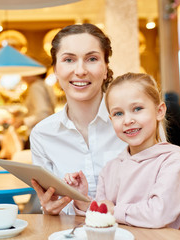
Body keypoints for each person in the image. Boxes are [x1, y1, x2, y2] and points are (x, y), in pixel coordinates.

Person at [64, 72, 180, 229]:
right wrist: (81, 199)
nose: (127, 120)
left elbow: (158, 214)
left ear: (159, 111)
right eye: (118, 113)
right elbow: (102, 216)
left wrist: (113, 210)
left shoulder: (172, 160)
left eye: (137, 109)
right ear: (111, 120)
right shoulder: (110, 168)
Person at [29, 23, 127, 215]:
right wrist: (49, 209)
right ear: (56, 70)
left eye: (91, 59)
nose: (80, 70)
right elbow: (50, 207)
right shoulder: (42, 135)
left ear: (106, 68)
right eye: (69, 60)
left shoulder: (133, 124)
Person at [12, 74, 56, 149]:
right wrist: (21, 114)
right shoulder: (45, 85)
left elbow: (43, 114)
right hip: (47, 134)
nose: (22, 77)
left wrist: (23, 121)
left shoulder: (35, 87)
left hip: (38, 135)